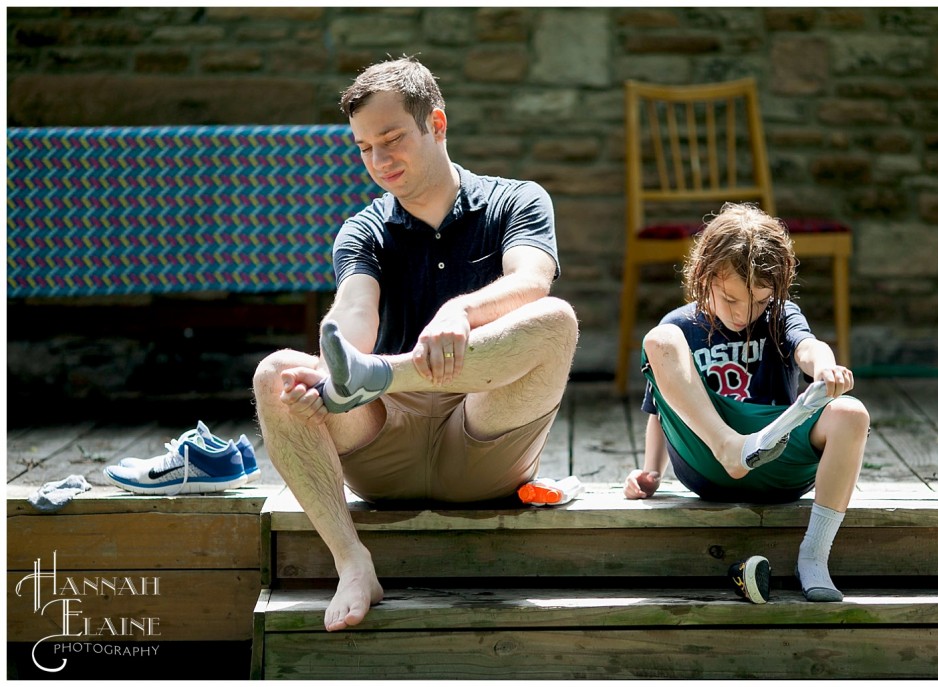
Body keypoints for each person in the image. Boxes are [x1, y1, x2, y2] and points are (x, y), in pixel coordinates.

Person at [253, 56, 578, 631]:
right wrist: (328, 379)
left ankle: (375, 376)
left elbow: (532, 281)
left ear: (438, 123)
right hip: (384, 451)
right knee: (274, 373)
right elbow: (354, 313)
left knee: (555, 318)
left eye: (392, 138)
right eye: (363, 147)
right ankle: (353, 563)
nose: (379, 160)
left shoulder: (518, 199)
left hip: (483, 441)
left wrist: (460, 309)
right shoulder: (363, 228)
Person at [623, 202, 870, 602]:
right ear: (705, 276)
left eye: (758, 301)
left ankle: (814, 556)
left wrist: (825, 368)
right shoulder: (681, 325)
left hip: (777, 456)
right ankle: (729, 447)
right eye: (731, 299)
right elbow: (662, 411)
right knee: (659, 339)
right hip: (709, 459)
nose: (745, 313)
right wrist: (650, 471)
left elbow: (809, 345)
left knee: (852, 414)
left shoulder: (778, 316)